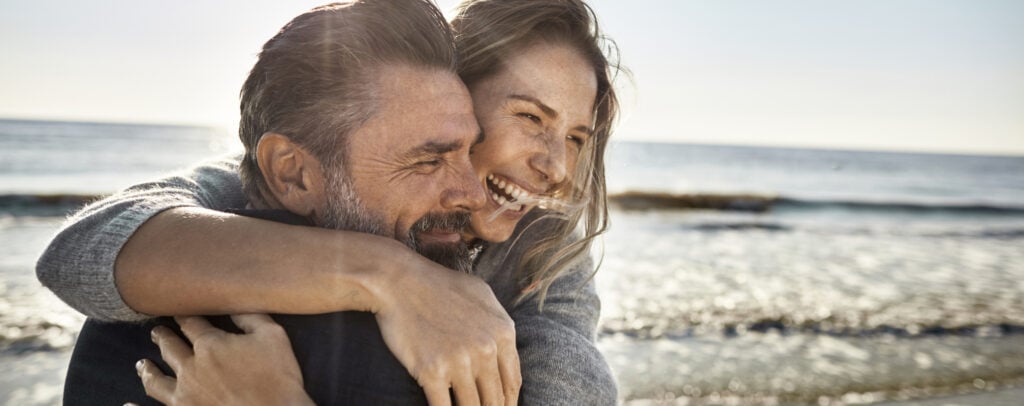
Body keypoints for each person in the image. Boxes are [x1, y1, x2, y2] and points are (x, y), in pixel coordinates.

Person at [38, 0, 621, 404]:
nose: (557, 167)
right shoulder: (275, 183)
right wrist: (391, 277)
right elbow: (80, 254)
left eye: (577, 138)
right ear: (456, 94)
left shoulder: (545, 252)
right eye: (530, 117)